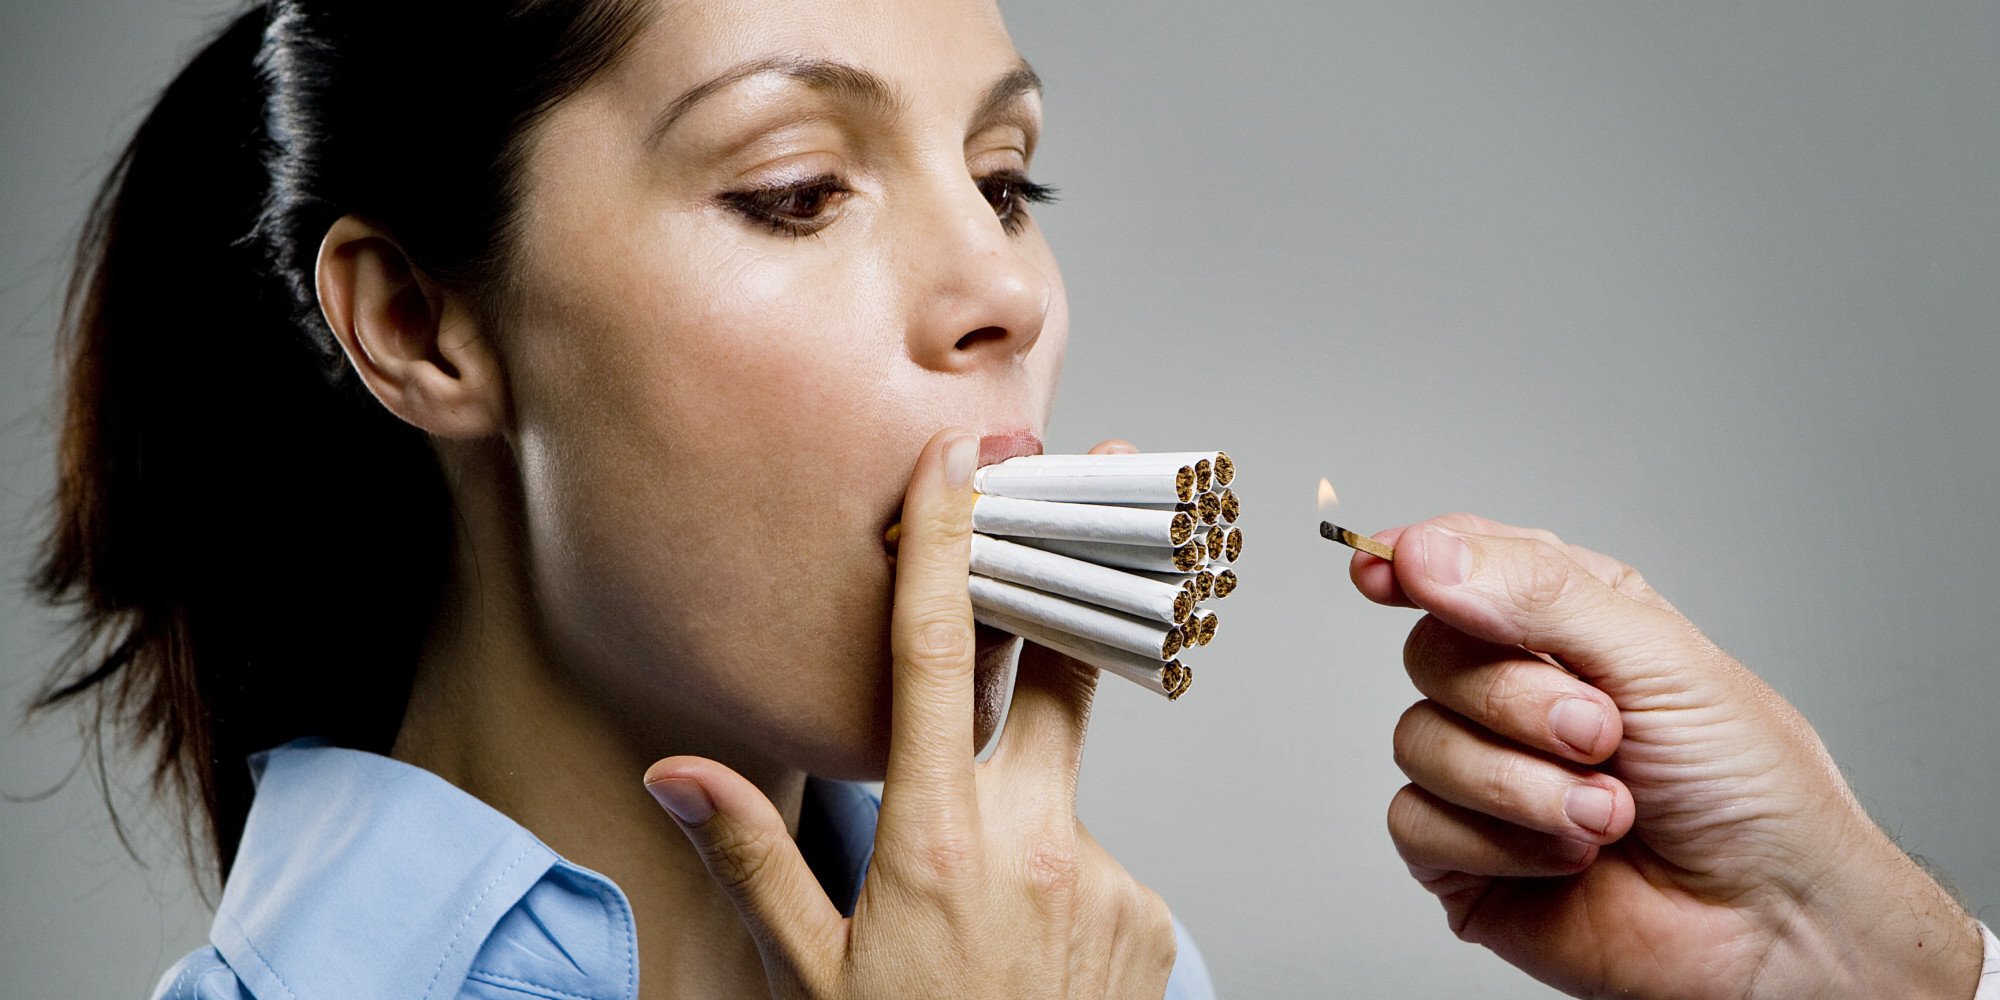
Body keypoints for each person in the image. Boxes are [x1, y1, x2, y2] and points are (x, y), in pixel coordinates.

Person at [28, 1, 1990, 999]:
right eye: (798, 187)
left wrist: (1855, 962)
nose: (1004, 290)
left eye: (1008, 175)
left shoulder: (1098, 961)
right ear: (423, 321)